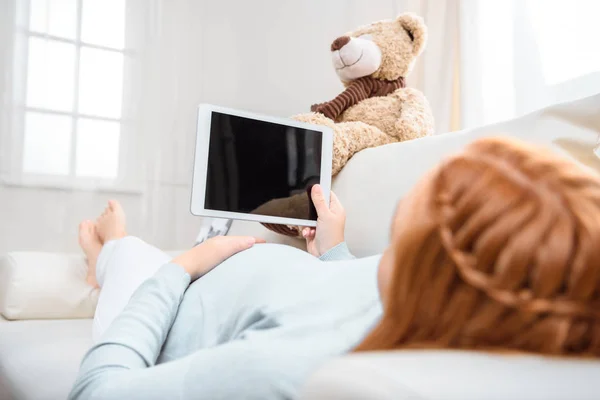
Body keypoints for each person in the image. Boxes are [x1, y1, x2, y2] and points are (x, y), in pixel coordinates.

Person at [69, 137, 600, 400]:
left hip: (177, 301)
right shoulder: (436, 298)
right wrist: (336, 249)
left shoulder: (287, 373)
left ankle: (108, 258)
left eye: (403, 232)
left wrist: (181, 268)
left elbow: (96, 392)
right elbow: (361, 290)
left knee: (134, 251)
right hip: (247, 274)